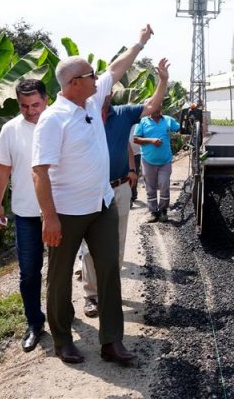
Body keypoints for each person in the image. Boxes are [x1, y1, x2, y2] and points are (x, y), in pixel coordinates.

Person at [32, 24, 154, 364]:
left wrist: (140, 43)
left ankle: (111, 341)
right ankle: (62, 339)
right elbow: (39, 172)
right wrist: (50, 217)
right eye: (91, 74)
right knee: (59, 277)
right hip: (67, 213)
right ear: (74, 84)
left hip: (102, 205)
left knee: (109, 270)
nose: (98, 77)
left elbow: (117, 68)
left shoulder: (91, 99)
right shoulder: (53, 120)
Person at [80, 58, 170, 319]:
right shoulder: (82, 116)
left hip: (118, 188)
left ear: (110, 91)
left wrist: (163, 80)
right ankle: (92, 295)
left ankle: (110, 289)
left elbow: (152, 104)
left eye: (104, 87)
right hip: (90, 189)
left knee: (117, 242)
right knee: (89, 246)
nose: (101, 91)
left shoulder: (122, 114)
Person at [0, 79, 49, 353]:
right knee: (28, 273)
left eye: (35, 104)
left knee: (60, 270)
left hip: (61, 211)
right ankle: (35, 323)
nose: (30, 111)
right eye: (24, 106)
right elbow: (2, 169)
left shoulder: (58, 122)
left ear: (46, 99)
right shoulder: (10, 129)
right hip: (26, 212)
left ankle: (63, 314)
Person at [133, 108, 180, 222]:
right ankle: (153, 212)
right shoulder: (142, 122)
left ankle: (163, 210)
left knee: (164, 183)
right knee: (151, 187)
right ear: (150, 108)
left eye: (159, 105)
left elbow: (181, 128)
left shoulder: (168, 120)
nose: (157, 108)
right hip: (148, 160)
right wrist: (151, 140)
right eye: (155, 106)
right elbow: (135, 139)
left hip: (165, 160)